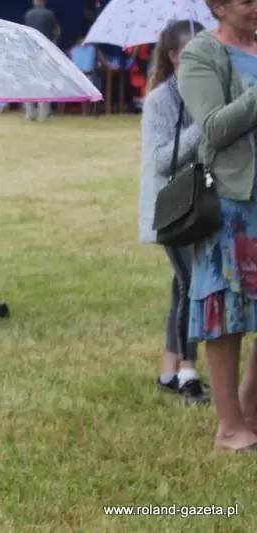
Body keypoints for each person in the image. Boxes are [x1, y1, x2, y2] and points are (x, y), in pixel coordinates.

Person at [178, 0, 257, 450]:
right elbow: (213, 129)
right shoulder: (201, 53)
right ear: (218, 5)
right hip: (231, 200)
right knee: (227, 312)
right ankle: (230, 427)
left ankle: (250, 409)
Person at [139, 20, 209, 406]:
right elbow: (162, 160)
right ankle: (187, 375)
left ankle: (168, 372)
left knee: (180, 285)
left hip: (200, 205)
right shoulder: (159, 101)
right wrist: (204, 125)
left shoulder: (206, 92)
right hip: (172, 209)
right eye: (189, 54)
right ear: (173, 56)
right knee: (192, 284)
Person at [23, 0, 60, 122]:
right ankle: (43, 113)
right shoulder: (50, 14)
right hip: (44, 51)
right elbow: (57, 31)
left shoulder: (28, 14)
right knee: (44, 81)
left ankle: (30, 112)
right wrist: (54, 41)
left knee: (30, 81)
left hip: (30, 51)